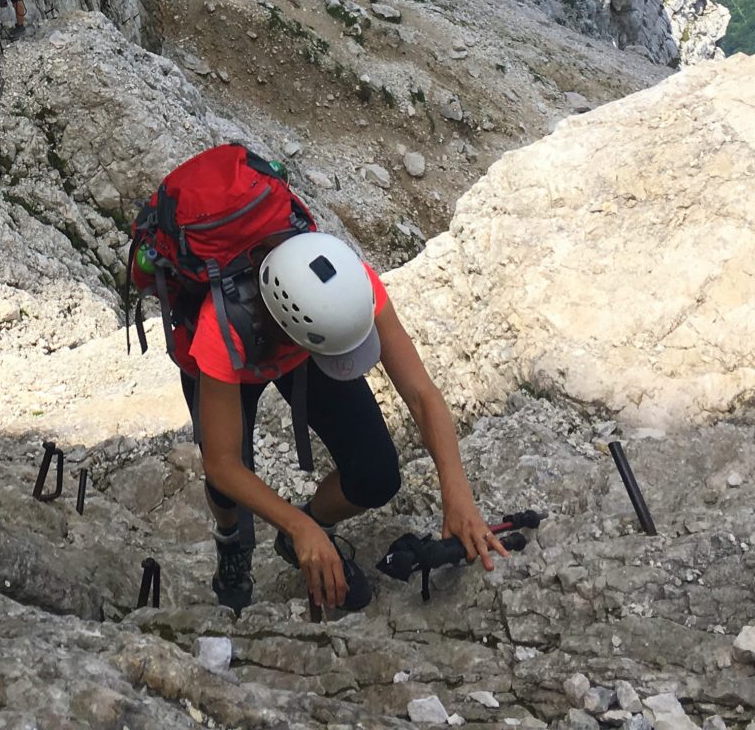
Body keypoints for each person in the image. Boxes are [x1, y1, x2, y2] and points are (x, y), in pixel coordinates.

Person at [131, 147, 507, 615]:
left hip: (303, 345)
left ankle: (313, 527)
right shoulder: (221, 326)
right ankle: (232, 544)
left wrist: (458, 494)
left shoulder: (349, 283)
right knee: (228, 487)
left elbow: (421, 392)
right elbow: (224, 464)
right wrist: (294, 525)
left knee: (375, 474)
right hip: (242, 351)